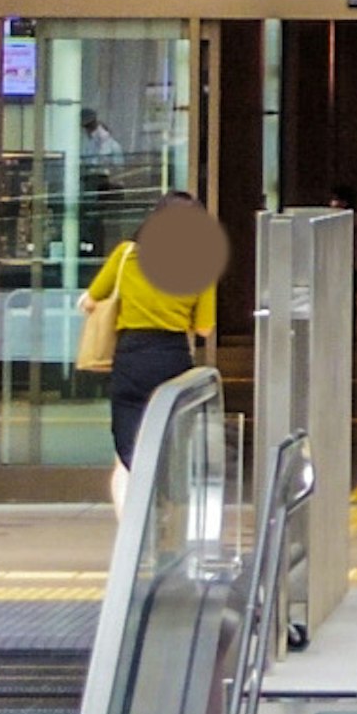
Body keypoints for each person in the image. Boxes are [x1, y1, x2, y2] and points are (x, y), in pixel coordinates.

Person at [82, 216, 215, 505]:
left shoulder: (127, 254)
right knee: (171, 445)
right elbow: (204, 328)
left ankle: (130, 538)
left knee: (126, 454)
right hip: (172, 357)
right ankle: (165, 515)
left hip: (131, 356)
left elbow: (91, 299)